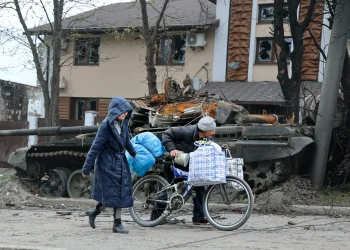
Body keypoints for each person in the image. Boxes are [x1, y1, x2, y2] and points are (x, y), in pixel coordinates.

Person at [81, 96, 136, 234]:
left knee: (119, 193)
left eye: (126, 111)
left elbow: (126, 140)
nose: (125, 114)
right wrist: (86, 168)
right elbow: (95, 148)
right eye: (122, 112)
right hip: (106, 164)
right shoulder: (106, 126)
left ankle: (95, 212)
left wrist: (133, 152)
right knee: (115, 194)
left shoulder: (123, 123)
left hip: (120, 162)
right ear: (115, 112)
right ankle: (117, 224)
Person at [161, 116, 216, 224]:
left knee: (199, 188)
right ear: (204, 130)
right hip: (175, 163)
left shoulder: (207, 138)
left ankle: (199, 217)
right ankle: (155, 216)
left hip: (191, 165)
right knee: (171, 189)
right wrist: (172, 150)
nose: (213, 132)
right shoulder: (187, 131)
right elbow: (167, 134)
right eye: (212, 130)